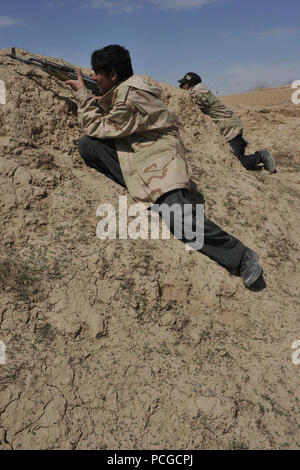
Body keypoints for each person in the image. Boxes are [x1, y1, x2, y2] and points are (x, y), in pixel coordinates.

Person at [66, 44, 263, 288]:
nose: (93, 77)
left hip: (161, 158)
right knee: (89, 146)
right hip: (139, 153)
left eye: (97, 73)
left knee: (178, 219)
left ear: (113, 75)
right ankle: (150, 197)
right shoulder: (125, 90)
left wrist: (83, 95)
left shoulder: (130, 95)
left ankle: (242, 256)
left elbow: (98, 126)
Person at [178, 72, 276, 173]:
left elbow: (190, 102)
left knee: (238, 163)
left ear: (191, 84)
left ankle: (262, 156)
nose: (181, 87)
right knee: (234, 154)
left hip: (230, 127)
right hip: (229, 125)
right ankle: (240, 143)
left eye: (183, 85)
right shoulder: (199, 90)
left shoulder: (197, 92)